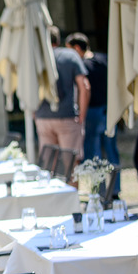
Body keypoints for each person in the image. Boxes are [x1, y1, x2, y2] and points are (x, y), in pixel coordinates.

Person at [65, 32, 121, 196]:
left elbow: (83, 90)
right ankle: (115, 190)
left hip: (92, 112)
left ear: (77, 48)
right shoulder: (105, 59)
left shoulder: (82, 66)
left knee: (93, 154)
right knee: (112, 152)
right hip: (109, 110)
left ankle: (99, 191)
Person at [34, 26, 89, 175]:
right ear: (58, 40)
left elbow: (30, 87)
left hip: (43, 117)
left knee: (48, 166)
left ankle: (52, 197)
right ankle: (72, 198)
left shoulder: (36, 58)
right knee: (70, 166)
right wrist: (82, 116)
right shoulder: (70, 56)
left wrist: (35, 113)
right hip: (67, 117)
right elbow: (84, 86)